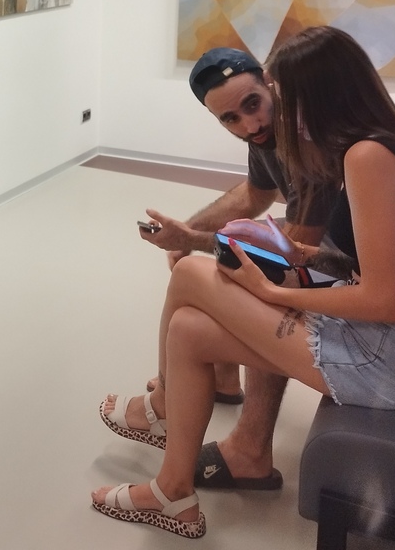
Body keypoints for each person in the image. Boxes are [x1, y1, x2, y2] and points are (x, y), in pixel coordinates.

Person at [91, 26, 395, 538]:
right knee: (188, 330)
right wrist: (299, 255)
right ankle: (172, 492)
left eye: (280, 97)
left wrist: (273, 291)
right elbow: (370, 266)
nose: (273, 116)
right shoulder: (377, 145)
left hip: (390, 362)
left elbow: (382, 301)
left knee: (191, 273)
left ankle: (164, 411)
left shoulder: (365, 158)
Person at [132, 47, 330, 492]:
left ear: (268, 82)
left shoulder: (308, 141)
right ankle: (217, 378)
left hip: (352, 273)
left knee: (238, 279)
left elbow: (293, 254)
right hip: (331, 257)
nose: (250, 125)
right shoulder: (269, 135)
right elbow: (255, 195)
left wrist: (196, 241)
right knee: (218, 268)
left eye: (252, 105)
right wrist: (190, 231)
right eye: (230, 119)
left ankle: (243, 445)